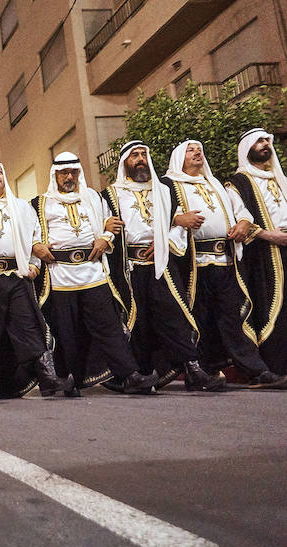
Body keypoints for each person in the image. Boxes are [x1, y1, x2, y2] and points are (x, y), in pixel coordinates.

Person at [162, 139, 287, 389]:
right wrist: (178, 218)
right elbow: (158, 217)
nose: (197, 153)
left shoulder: (214, 182)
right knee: (200, 318)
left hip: (225, 260)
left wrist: (242, 222)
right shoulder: (168, 185)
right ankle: (202, 371)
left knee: (234, 316)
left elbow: (240, 210)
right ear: (179, 157)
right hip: (193, 263)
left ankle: (255, 371)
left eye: (199, 149)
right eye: (190, 150)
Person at [32, 153, 158, 396]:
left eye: (74, 172)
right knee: (67, 331)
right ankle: (71, 380)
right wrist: (35, 246)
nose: (69, 177)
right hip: (59, 275)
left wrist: (104, 238)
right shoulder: (40, 203)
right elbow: (29, 234)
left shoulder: (93, 197)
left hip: (93, 272)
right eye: (64, 173)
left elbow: (109, 226)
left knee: (109, 327)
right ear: (54, 175)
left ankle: (129, 376)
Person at [102, 141, 224, 392]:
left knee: (175, 315)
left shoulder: (164, 190)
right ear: (124, 161)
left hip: (161, 263)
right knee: (138, 321)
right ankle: (139, 376)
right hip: (129, 267)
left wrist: (163, 242)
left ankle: (193, 369)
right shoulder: (111, 194)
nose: (140, 159)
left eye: (143, 154)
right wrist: (106, 228)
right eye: (134, 155)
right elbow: (104, 226)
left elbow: (179, 224)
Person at [0, 161, 73, 398]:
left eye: (0, 172)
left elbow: (36, 235)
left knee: (28, 326)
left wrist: (34, 264)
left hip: (17, 275)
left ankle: (48, 378)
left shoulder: (22, 207)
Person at [227, 128, 287, 375]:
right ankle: (276, 365)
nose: (264, 145)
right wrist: (268, 235)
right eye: (259, 141)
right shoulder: (237, 183)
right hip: (264, 254)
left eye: (266, 141)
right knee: (274, 307)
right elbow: (237, 218)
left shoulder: (280, 178)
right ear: (247, 148)